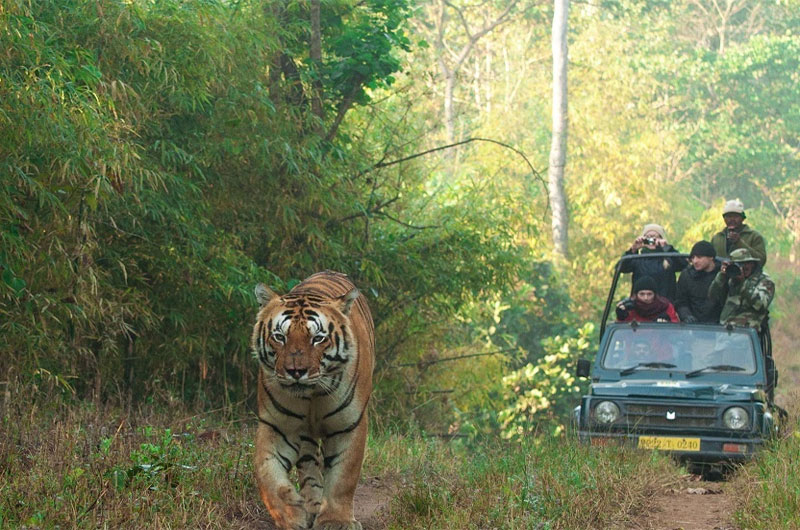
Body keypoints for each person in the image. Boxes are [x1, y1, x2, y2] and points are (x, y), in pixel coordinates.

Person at [708, 248, 774, 331]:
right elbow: (713, 296)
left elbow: (761, 304)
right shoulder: (730, 278)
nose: (743, 267)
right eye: (738, 264)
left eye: (746, 263)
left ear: (752, 264)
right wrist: (721, 276)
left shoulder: (764, 280)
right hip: (725, 332)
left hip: (748, 333)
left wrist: (743, 284)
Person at [620, 224, 687, 301]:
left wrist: (667, 248)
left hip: (665, 305)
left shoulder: (669, 258)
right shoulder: (637, 259)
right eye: (648, 238)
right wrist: (633, 250)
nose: (651, 240)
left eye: (654, 237)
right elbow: (621, 268)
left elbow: (684, 265)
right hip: (641, 305)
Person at [674, 241, 723, 323]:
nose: (695, 261)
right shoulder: (686, 275)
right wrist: (686, 316)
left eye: (699, 257)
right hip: (694, 325)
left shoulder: (722, 275)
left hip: (720, 325)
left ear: (711, 257)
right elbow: (680, 302)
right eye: (693, 258)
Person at [710, 199, 767, 266]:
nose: (732, 219)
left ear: (742, 218)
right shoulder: (717, 238)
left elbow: (761, 260)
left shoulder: (754, 236)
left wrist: (739, 242)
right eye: (729, 216)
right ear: (724, 219)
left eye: (736, 216)